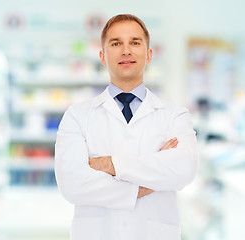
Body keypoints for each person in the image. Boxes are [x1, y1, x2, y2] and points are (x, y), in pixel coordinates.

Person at [55, 14, 198, 240]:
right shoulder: (77, 116)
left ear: (149, 54)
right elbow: (72, 184)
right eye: (116, 43)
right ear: (102, 56)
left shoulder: (174, 115)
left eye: (135, 42)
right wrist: (145, 185)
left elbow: (183, 170)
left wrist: (109, 164)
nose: (126, 50)